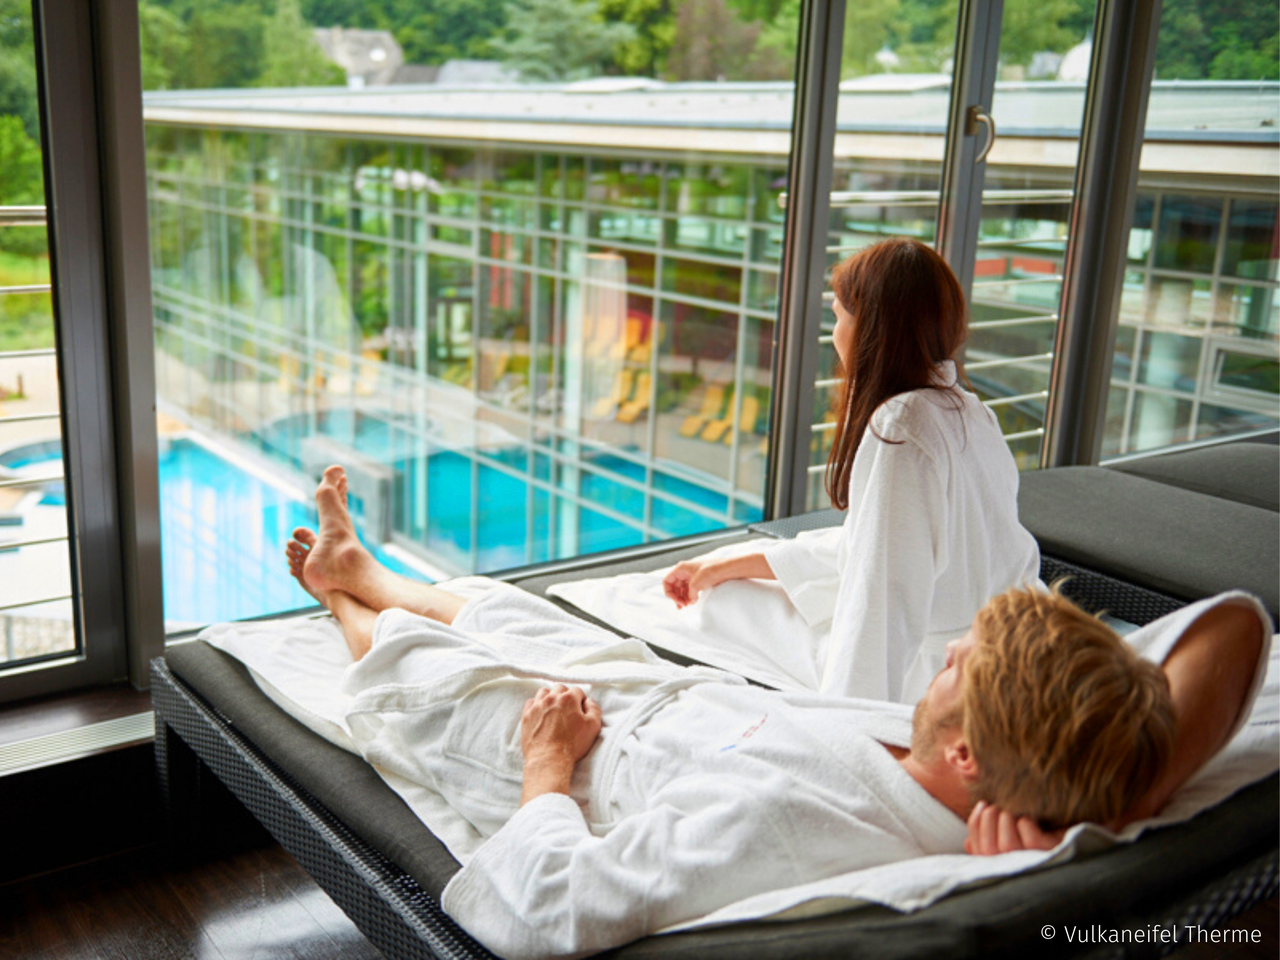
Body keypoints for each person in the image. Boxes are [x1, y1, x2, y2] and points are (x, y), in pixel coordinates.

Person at [286, 466, 1268, 960]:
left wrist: (546, 767)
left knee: (421, 683)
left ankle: (340, 600)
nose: (949, 652)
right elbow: (1237, 629)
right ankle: (365, 570)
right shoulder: (994, 757)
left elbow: (539, 911)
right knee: (520, 616)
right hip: (673, 701)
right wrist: (1137, 775)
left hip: (589, 762)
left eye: (958, 667)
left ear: (966, 754)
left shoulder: (784, 831)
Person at [662, 238, 1041, 703]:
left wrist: (850, 725)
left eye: (839, 315)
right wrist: (725, 563)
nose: (834, 331)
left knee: (722, 606)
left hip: (941, 676)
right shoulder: (970, 412)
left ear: (870, 328)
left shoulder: (901, 426)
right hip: (1015, 645)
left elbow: (881, 604)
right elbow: (877, 545)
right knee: (736, 587)